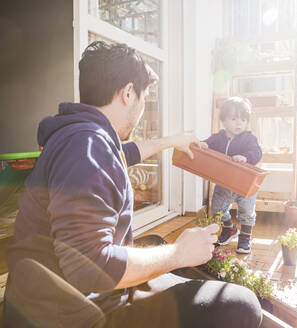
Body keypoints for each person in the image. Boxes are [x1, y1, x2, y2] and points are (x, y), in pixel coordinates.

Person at [3, 41, 262, 328]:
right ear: (128, 93)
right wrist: (179, 253)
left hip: (46, 300)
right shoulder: (87, 148)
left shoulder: (79, 137)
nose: (141, 109)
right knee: (241, 305)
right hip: (72, 315)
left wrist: (169, 142)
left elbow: (119, 156)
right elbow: (89, 268)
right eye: (143, 99)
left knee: (159, 250)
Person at [200, 97, 262, 254]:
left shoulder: (249, 138)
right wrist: (203, 145)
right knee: (217, 209)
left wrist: (246, 157)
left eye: (243, 119)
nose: (239, 123)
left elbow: (257, 152)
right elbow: (206, 144)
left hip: (245, 184)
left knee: (246, 212)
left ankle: (245, 238)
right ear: (224, 120)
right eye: (234, 119)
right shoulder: (218, 138)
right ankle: (230, 229)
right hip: (224, 183)